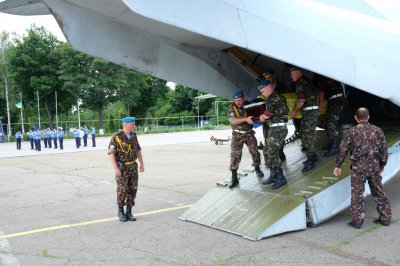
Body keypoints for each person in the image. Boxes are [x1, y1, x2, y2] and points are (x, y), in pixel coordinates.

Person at [333, 107, 391, 229]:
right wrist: (382, 164)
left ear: (356, 118)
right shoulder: (377, 130)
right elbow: (384, 150)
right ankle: (385, 218)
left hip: (358, 167)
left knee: (357, 194)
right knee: (378, 192)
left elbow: (343, 149)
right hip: (374, 166)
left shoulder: (351, 132)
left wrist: (338, 166)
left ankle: (358, 221)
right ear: (368, 117)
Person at [108, 117, 144, 222]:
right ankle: (120, 211)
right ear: (126, 124)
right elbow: (111, 153)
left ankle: (129, 211)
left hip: (133, 166)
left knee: (132, 189)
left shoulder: (134, 136)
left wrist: (141, 163)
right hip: (122, 167)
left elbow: (138, 150)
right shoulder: (116, 137)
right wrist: (115, 168)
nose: (134, 126)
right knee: (122, 190)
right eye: (133, 124)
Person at [227, 90, 264, 189]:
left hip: (249, 134)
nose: (238, 102)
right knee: (235, 155)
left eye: (240, 100)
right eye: (236, 100)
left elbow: (256, 114)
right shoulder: (231, 108)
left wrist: (259, 118)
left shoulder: (249, 105)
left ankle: (257, 168)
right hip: (237, 135)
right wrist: (245, 119)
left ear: (243, 99)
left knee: (255, 152)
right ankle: (234, 178)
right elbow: (233, 121)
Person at [258, 80, 289, 189]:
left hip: (278, 128)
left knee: (272, 152)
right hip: (275, 127)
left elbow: (267, 115)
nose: (262, 93)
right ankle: (274, 174)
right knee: (267, 151)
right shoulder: (276, 97)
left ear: (268, 88)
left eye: (262, 91)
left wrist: (262, 117)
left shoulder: (273, 98)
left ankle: (281, 177)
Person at [290, 66, 319, 172]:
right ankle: (313, 156)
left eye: (293, 74)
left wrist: (294, 110)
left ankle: (311, 160)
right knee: (306, 134)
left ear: (299, 73)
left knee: (307, 136)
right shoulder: (308, 81)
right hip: (312, 110)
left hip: (309, 111)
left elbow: (301, 101)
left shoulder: (300, 83)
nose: (291, 76)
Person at [315, 74, 346, 157]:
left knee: (331, 124)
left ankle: (334, 147)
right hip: (334, 100)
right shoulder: (327, 73)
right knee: (328, 122)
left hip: (336, 100)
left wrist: (320, 108)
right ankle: (331, 143)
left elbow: (321, 93)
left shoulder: (320, 75)